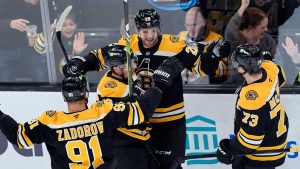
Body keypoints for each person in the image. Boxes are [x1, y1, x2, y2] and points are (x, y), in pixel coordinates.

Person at [63, 8, 230, 169]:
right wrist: (81, 63)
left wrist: (213, 56)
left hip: (170, 121)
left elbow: (202, 68)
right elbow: (103, 55)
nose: (150, 36)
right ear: (138, 30)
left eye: (153, 30)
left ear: (159, 28)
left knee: (171, 165)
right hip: (143, 121)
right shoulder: (129, 44)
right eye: (144, 31)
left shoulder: (175, 44)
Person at [0, 54, 184, 169]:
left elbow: (17, 137)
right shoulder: (103, 112)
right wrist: (159, 83)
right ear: (86, 93)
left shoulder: (50, 122)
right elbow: (142, 111)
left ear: (64, 96)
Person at [216, 44, 289, 169]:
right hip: (276, 140)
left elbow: (250, 142)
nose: (235, 66)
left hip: (261, 155)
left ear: (243, 69)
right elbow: (281, 79)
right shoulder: (270, 68)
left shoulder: (252, 98)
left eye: (237, 63)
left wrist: (227, 148)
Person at [224, 0, 277, 84]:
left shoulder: (268, 41)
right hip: (235, 87)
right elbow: (230, 30)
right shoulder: (235, 38)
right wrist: (243, 7)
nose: (266, 29)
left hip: (263, 86)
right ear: (250, 27)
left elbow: (277, 65)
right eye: (263, 27)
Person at [0, 0, 47, 82]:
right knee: (5, 83)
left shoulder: (45, 3)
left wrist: (41, 35)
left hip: (32, 49)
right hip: (7, 49)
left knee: (42, 78)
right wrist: (10, 24)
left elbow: (52, 23)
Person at [179, 6, 227, 84]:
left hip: (206, 88)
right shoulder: (181, 37)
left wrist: (208, 62)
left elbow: (223, 70)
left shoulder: (217, 39)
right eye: (188, 25)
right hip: (185, 88)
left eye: (194, 25)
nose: (191, 29)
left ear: (204, 22)